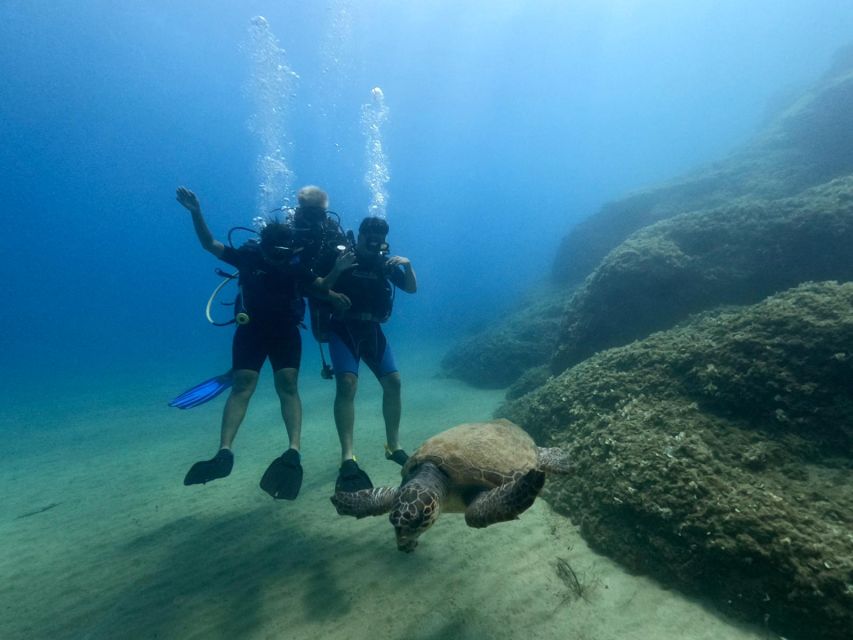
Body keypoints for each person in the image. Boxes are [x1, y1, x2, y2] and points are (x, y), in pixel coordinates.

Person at [175, 186, 350, 500]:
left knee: (287, 385)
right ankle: (224, 452)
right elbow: (209, 244)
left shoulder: (295, 263)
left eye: (283, 254)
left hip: (285, 330)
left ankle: (293, 451)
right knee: (244, 384)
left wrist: (336, 273)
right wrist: (196, 212)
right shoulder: (249, 255)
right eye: (274, 253)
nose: (277, 259)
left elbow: (319, 285)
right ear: (265, 247)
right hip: (251, 330)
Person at [323, 216, 417, 492]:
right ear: (360, 235)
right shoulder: (341, 257)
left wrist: (407, 265)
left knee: (394, 382)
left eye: (379, 238)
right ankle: (347, 456)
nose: (374, 242)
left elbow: (411, 288)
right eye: (369, 237)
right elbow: (314, 287)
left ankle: (393, 446)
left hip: (371, 328)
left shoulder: (383, 264)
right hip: (343, 327)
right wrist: (335, 276)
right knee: (347, 385)